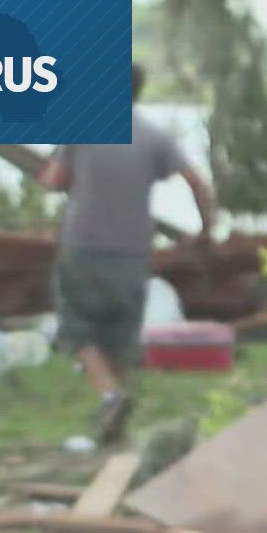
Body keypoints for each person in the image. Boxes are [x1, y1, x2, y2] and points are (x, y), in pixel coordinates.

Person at [39, 62, 215, 446]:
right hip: (133, 251)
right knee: (119, 335)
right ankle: (114, 422)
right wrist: (206, 228)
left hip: (83, 245)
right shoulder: (154, 137)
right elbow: (197, 182)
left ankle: (111, 396)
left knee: (77, 327)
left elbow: (53, 181)